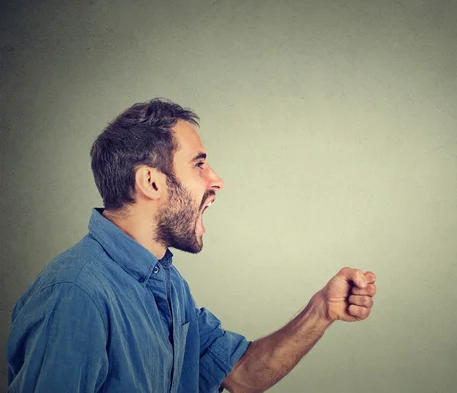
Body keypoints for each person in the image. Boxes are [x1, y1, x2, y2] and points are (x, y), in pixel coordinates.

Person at [6, 98, 377, 393]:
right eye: (199, 164)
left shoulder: (167, 283)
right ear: (151, 182)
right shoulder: (76, 294)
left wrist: (320, 312)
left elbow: (243, 374)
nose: (216, 181)